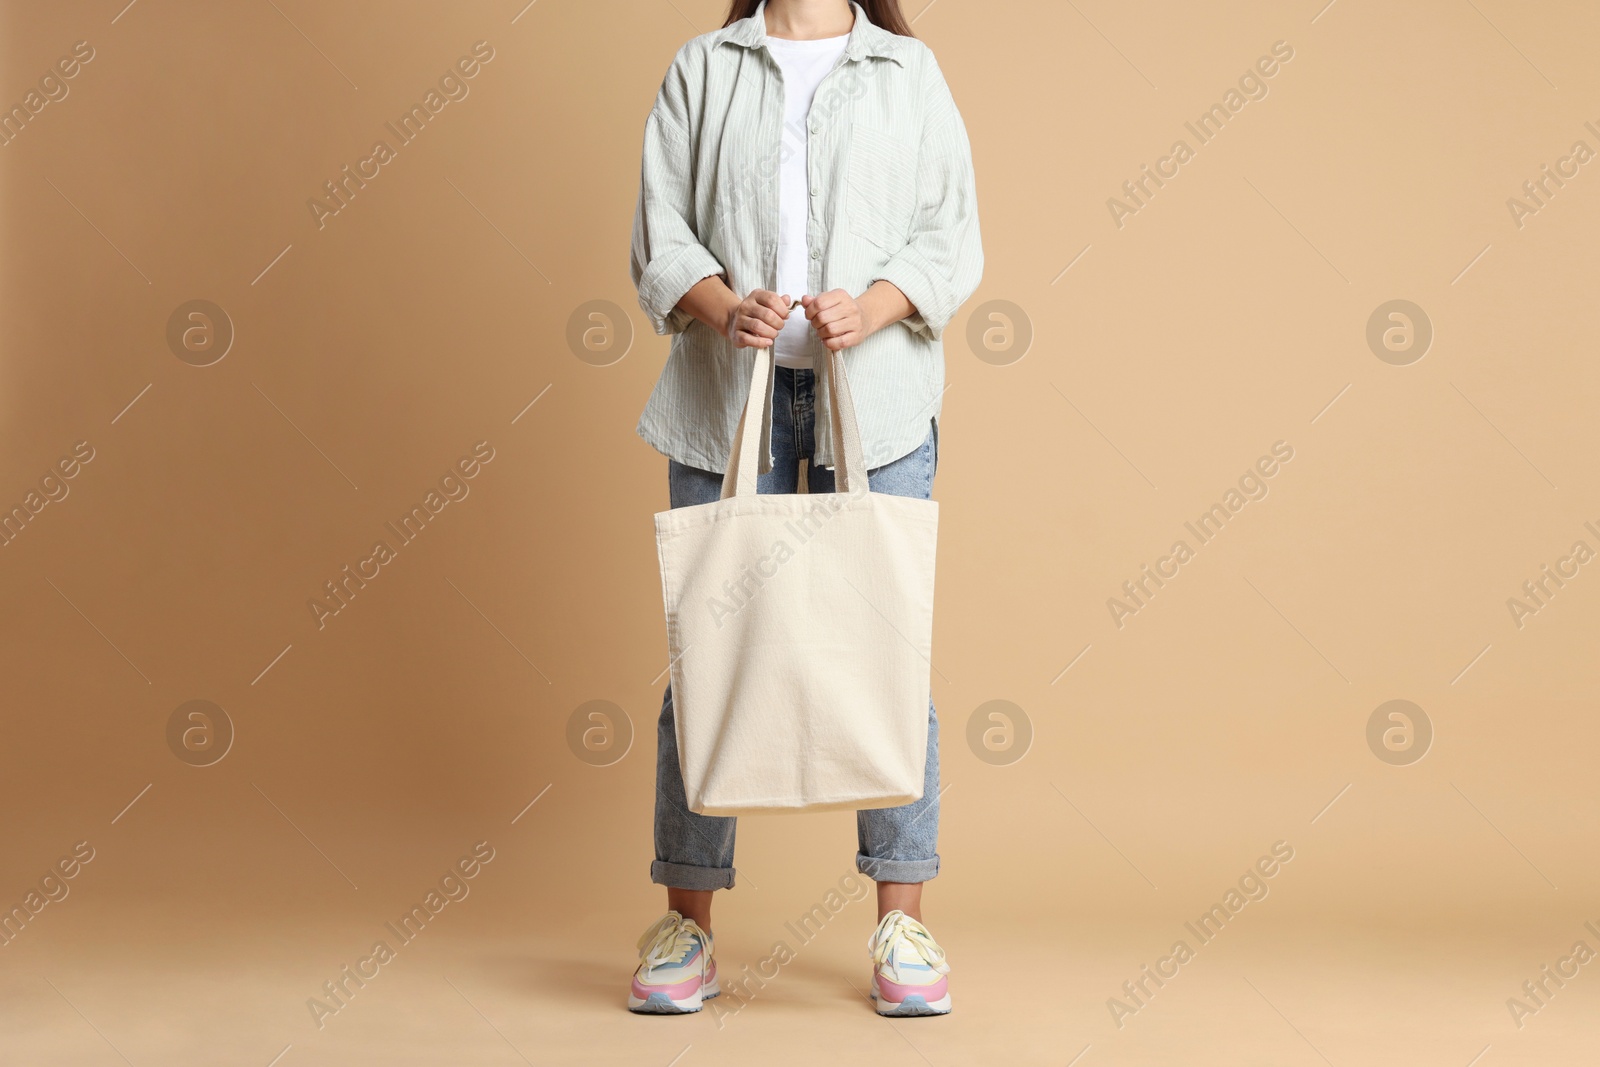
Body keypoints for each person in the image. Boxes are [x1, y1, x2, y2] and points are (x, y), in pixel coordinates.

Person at [626, 0, 982, 1016]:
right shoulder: (703, 67)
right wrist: (719, 303)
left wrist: (870, 307)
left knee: (886, 653)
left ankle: (901, 923)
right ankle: (686, 927)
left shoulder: (907, 73)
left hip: (873, 403)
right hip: (722, 402)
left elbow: (948, 232)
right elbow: (662, 227)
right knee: (704, 662)